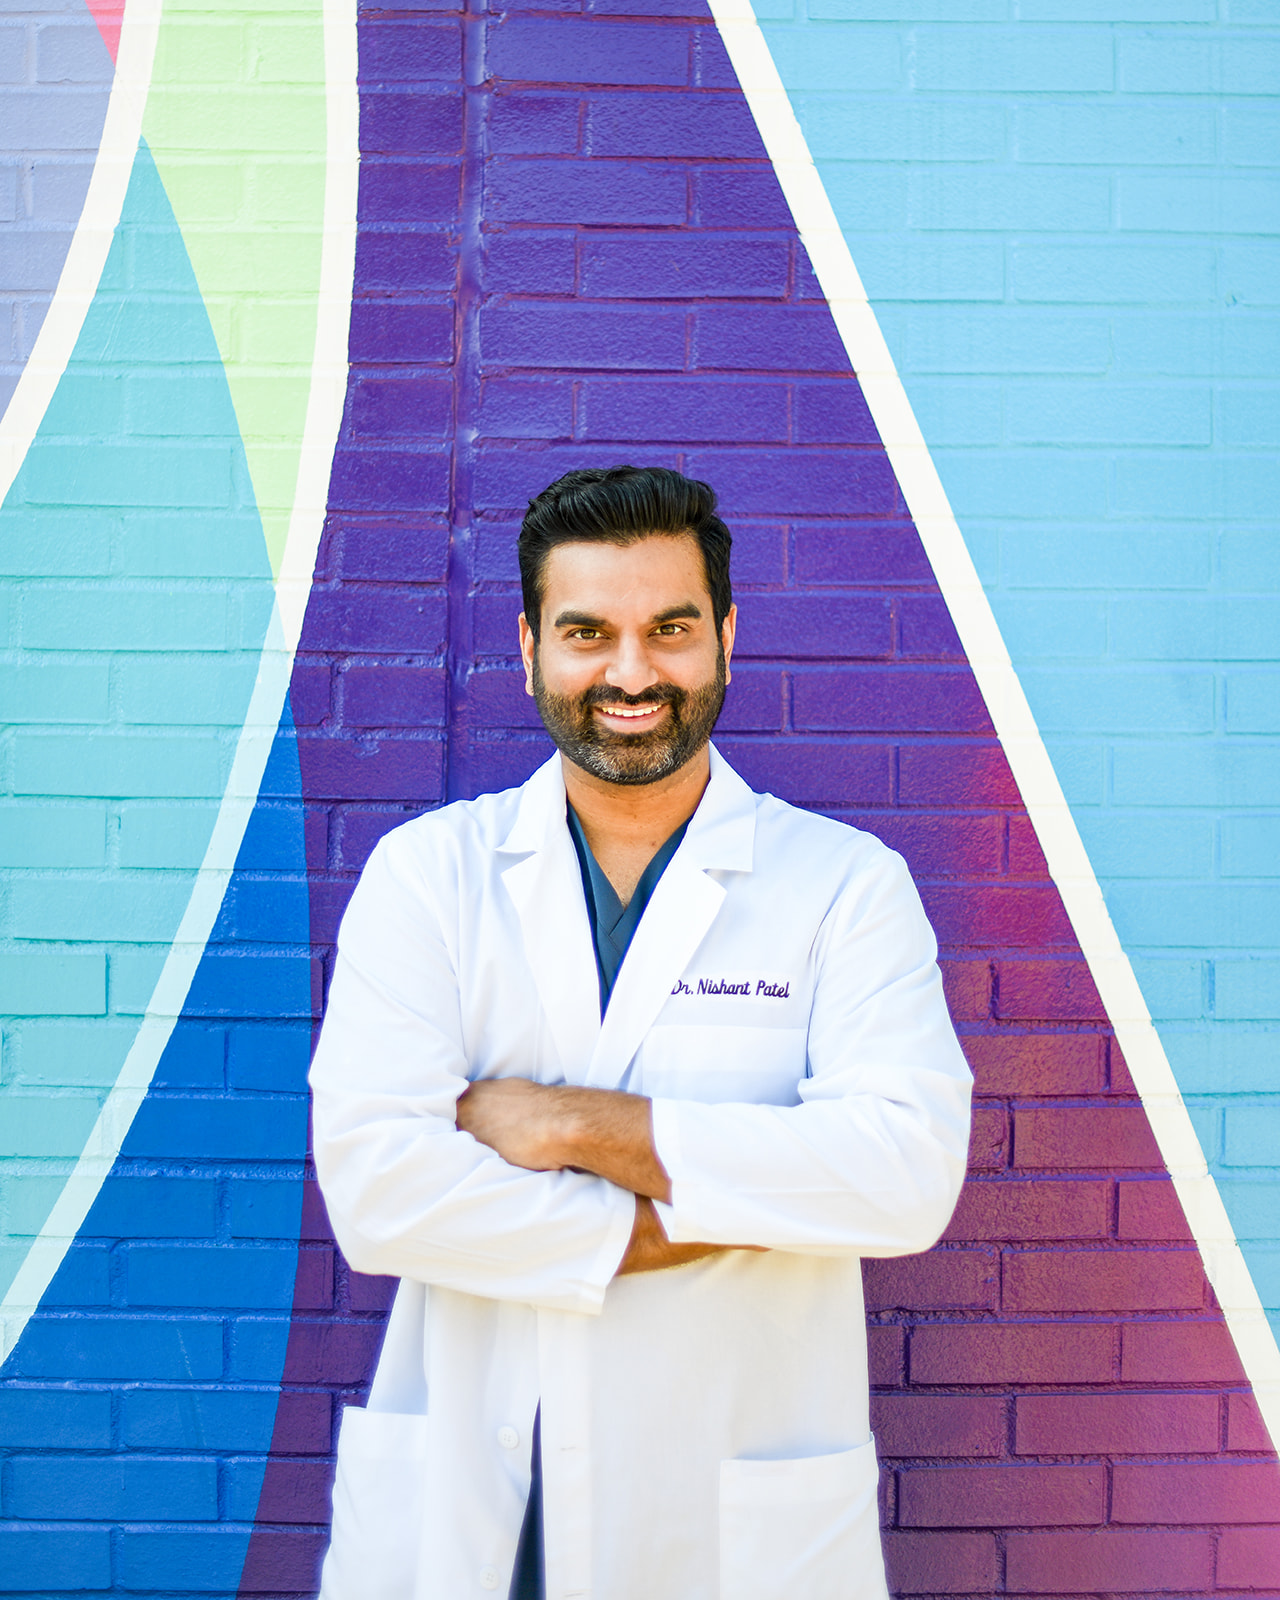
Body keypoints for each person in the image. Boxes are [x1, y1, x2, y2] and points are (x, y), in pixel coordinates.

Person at [310, 465, 972, 1600]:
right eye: (586, 632)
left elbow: (902, 1177)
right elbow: (377, 1196)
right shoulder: (430, 876)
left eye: (669, 628)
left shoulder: (844, 887)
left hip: (732, 1519)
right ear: (528, 646)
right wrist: (738, 1201)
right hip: (479, 1514)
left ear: (725, 635)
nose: (629, 672)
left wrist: (568, 1122)